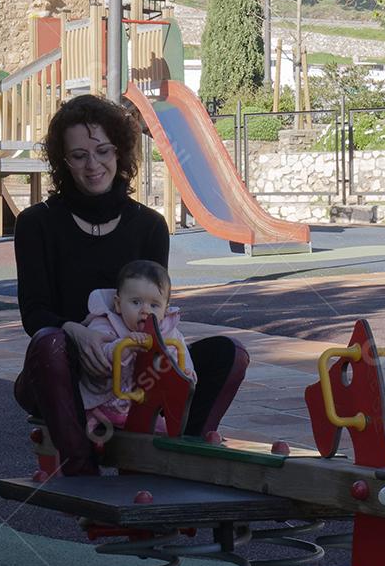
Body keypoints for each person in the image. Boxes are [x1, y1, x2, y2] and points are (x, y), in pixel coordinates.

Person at [13, 94, 249, 475]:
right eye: (78, 156)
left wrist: (137, 353)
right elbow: (34, 313)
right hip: (64, 371)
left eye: (103, 151)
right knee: (48, 342)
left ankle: (180, 456)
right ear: (63, 161)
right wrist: (77, 333)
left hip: (133, 371)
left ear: (120, 151)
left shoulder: (149, 226)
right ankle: (81, 468)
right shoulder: (36, 223)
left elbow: (152, 310)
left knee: (230, 353)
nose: (93, 165)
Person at [79, 259, 195, 436]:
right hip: (104, 401)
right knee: (86, 428)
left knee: (172, 430)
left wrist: (185, 373)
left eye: (154, 305)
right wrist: (125, 346)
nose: (145, 310)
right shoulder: (105, 323)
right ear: (118, 304)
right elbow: (100, 355)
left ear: (165, 310)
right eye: (136, 302)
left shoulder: (170, 334)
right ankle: (89, 435)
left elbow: (181, 356)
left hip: (141, 403)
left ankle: (192, 438)